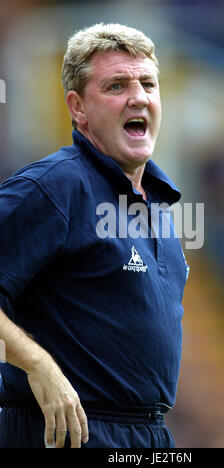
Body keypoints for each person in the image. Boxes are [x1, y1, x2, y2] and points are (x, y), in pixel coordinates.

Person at [0, 23, 188, 448]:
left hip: (150, 438)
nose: (138, 96)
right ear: (78, 107)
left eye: (147, 83)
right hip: (62, 432)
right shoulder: (54, 186)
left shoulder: (161, 207)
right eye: (116, 85)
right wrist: (37, 365)